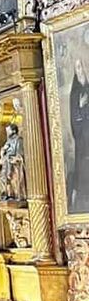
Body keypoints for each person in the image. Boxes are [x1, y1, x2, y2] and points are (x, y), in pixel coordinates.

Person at [69, 55, 89, 211]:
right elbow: (74, 117)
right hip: (82, 137)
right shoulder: (75, 93)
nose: (80, 70)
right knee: (82, 165)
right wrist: (81, 107)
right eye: (77, 68)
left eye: (81, 67)